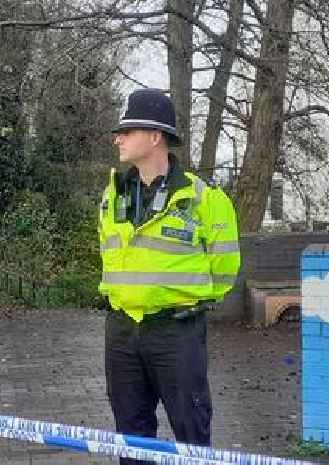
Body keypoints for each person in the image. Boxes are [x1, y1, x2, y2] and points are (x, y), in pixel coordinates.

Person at [98, 88, 241, 464]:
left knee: (190, 431)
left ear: (155, 136)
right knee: (130, 434)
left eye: (127, 131)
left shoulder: (204, 199)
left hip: (177, 333)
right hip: (122, 330)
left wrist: (183, 300)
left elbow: (225, 268)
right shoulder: (111, 196)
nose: (118, 138)